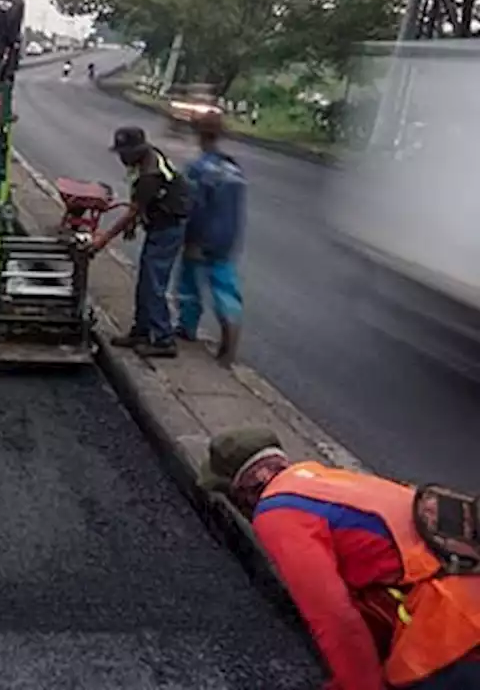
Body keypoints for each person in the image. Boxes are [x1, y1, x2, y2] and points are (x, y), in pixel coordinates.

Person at [201, 427, 480, 690]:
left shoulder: (276, 513)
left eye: (232, 492)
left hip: (456, 626)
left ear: (256, 480)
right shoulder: (322, 479)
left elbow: (335, 617)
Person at [90, 126, 189, 357]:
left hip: (168, 227)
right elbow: (139, 204)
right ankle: (141, 331)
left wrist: (102, 241)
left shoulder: (149, 174)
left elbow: (133, 210)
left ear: (137, 150)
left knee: (153, 283)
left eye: (126, 152)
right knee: (145, 279)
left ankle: (163, 340)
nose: (122, 158)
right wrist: (134, 224)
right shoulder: (145, 160)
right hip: (159, 222)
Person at [177, 111, 246, 366]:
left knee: (189, 285)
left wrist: (191, 241)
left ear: (198, 135)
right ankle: (229, 350)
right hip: (227, 239)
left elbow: (195, 208)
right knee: (225, 290)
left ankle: (187, 329)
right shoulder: (233, 169)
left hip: (202, 237)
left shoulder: (198, 169)